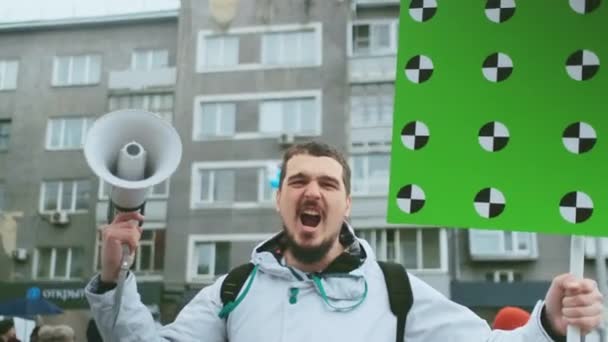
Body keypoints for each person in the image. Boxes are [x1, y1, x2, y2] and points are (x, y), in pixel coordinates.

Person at [85, 141, 604, 341]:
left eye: (328, 183)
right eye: (298, 181)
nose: (313, 191)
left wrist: (550, 323)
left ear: (347, 204)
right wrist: (113, 279)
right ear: (281, 200)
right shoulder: (233, 290)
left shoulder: (396, 290)